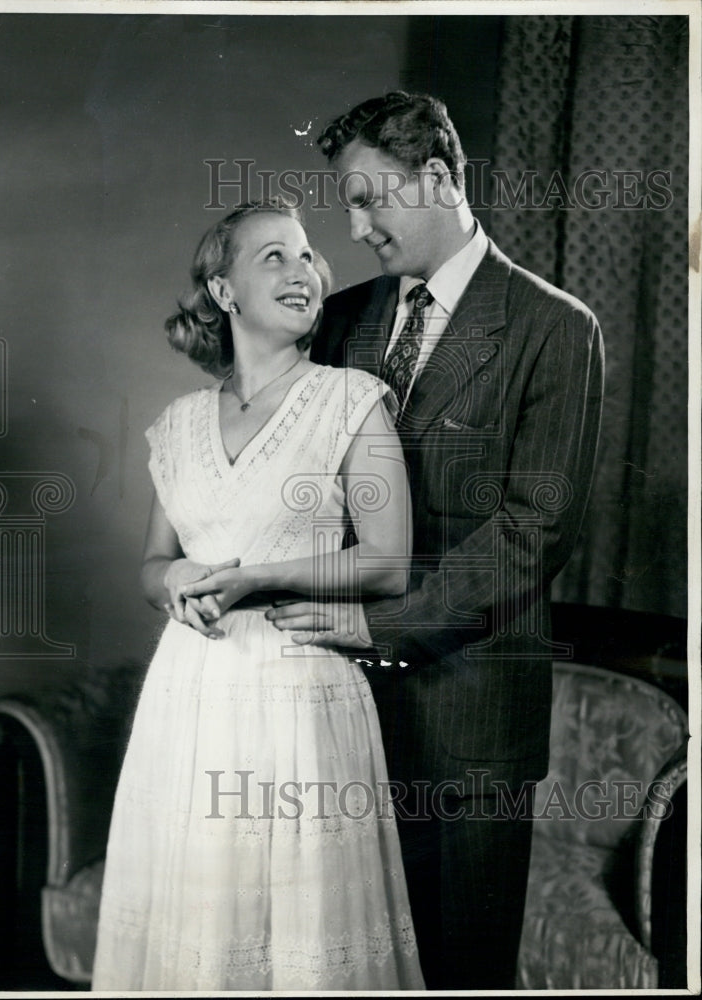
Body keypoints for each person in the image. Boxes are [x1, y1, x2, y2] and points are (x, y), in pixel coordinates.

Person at [267, 92, 605, 989]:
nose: (357, 223)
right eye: (347, 203)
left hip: (473, 730)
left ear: (440, 177)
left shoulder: (556, 329)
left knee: (461, 973)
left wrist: (377, 626)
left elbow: (535, 532)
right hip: (336, 718)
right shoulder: (339, 320)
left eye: (371, 196)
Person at [91, 198, 425, 991]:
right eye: (273, 256)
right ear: (223, 292)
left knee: (302, 935)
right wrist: (171, 579)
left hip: (302, 695)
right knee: (197, 925)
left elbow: (388, 563)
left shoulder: (352, 400)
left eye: (307, 255)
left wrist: (259, 575)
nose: (302, 271)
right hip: (191, 696)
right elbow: (152, 564)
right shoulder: (176, 425)